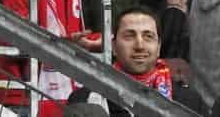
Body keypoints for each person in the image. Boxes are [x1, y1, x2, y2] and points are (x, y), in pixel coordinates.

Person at [63, 7, 197, 116]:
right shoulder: (85, 99)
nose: (140, 45)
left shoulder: (188, 102)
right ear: (114, 47)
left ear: (159, 48)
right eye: (129, 36)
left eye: (148, 37)